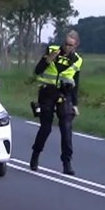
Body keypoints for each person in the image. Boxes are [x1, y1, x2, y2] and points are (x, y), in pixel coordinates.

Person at [29, 30, 83, 175]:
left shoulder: (77, 60)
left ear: (75, 46)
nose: (67, 47)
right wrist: (48, 60)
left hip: (65, 95)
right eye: (65, 43)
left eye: (70, 45)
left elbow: (76, 83)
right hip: (47, 92)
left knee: (66, 128)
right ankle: (35, 156)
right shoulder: (52, 50)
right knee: (46, 127)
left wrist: (75, 104)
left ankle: (67, 163)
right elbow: (37, 71)